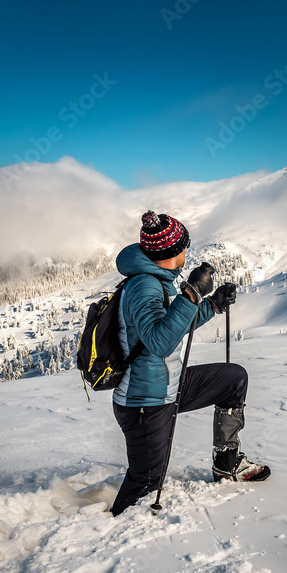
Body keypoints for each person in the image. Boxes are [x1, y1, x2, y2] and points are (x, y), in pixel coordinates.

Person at [109, 211, 270, 517]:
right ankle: (107, 532)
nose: (187, 251)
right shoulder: (144, 286)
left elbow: (173, 324)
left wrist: (211, 304)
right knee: (146, 483)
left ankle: (226, 464)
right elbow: (159, 342)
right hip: (145, 402)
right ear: (173, 252)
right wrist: (192, 294)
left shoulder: (157, 280)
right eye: (185, 245)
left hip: (168, 385)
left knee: (232, 378)